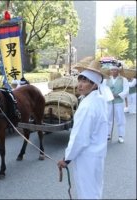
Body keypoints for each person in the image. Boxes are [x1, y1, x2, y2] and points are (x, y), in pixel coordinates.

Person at [57, 60, 109, 199]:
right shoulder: (99, 99)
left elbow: (80, 137)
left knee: (87, 193)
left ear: (94, 84)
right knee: (94, 189)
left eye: (86, 81)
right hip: (96, 155)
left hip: (87, 157)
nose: (80, 84)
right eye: (80, 79)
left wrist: (67, 159)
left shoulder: (87, 106)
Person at [105, 64, 129, 143]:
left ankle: (120, 135)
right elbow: (104, 90)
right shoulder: (107, 79)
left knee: (120, 118)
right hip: (109, 102)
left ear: (118, 71)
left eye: (114, 70)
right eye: (111, 70)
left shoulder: (123, 79)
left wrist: (118, 95)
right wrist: (108, 95)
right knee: (108, 118)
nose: (113, 71)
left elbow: (126, 90)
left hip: (118, 102)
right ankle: (108, 134)